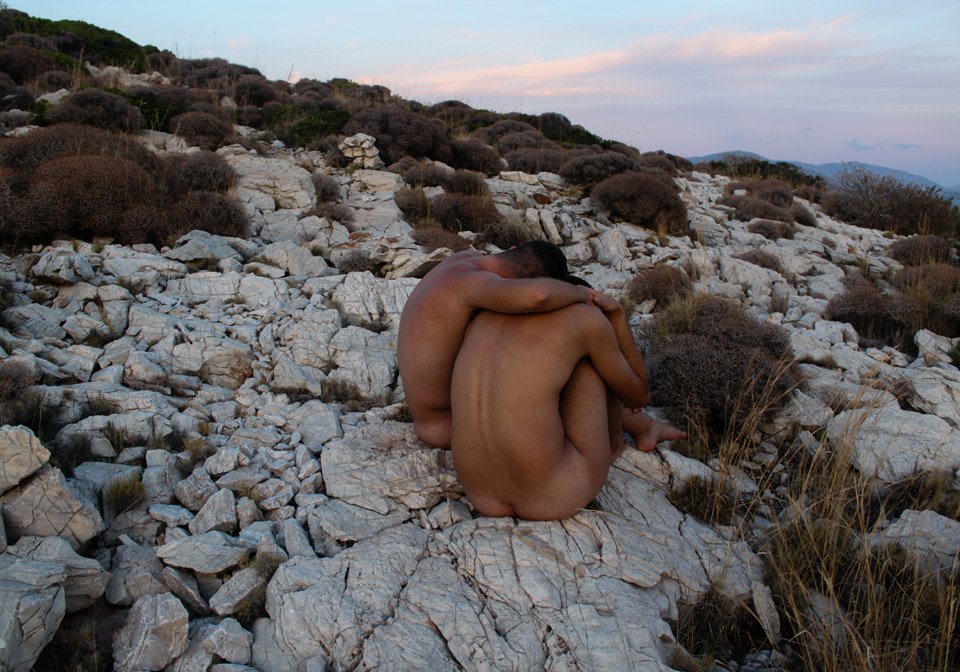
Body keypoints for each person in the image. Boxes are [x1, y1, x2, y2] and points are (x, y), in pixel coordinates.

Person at [450, 291, 685, 520]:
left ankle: (643, 426)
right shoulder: (583, 319)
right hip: (556, 498)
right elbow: (638, 396)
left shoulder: (482, 317)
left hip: (482, 495)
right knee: (595, 361)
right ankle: (616, 444)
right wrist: (617, 317)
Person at [397, 240, 595, 449]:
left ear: (512, 249)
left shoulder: (464, 258)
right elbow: (538, 295)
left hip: (432, 417)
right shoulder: (470, 283)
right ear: (520, 285)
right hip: (446, 425)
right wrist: (583, 294)